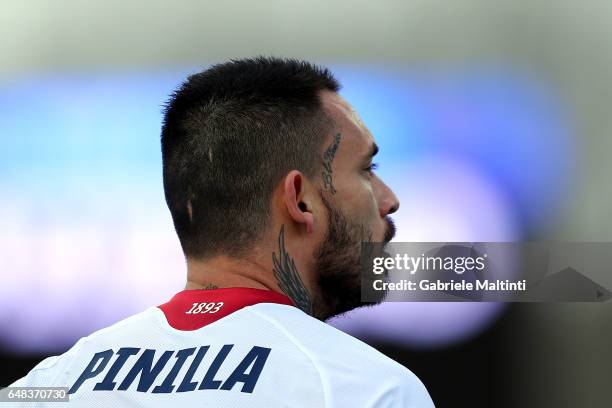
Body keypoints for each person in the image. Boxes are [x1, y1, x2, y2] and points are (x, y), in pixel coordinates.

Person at [9, 57, 434, 407]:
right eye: (367, 170)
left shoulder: (43, 388)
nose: (388, 199)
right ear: (300, 200)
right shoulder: (369, 391)